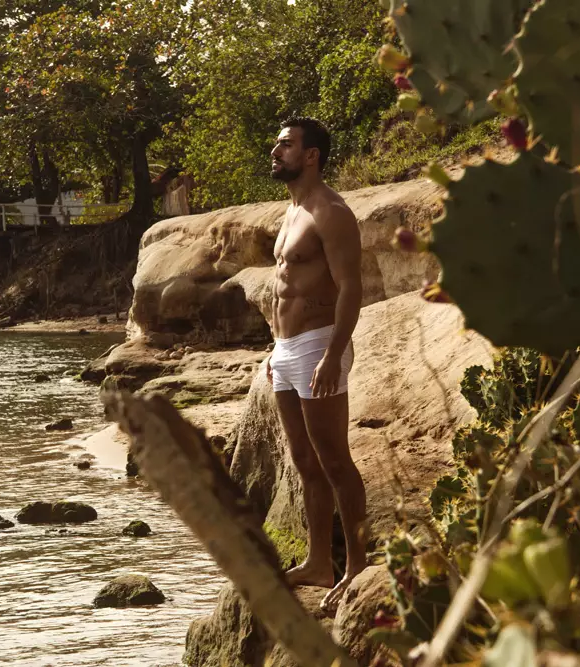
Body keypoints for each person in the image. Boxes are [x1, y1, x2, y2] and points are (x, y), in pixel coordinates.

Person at [265, 116, 367, 613]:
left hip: (318, 344)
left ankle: (357, 568)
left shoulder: (332, 211)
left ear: (311, 155)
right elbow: (283, 284)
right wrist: (273, 348)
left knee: (334, 461)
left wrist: (332, 354)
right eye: (276, 144)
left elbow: (351, 287)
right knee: (304, 462)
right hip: (285, 350)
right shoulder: (290, 212)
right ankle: (318, 561)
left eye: (285, 144)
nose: (275, 151)